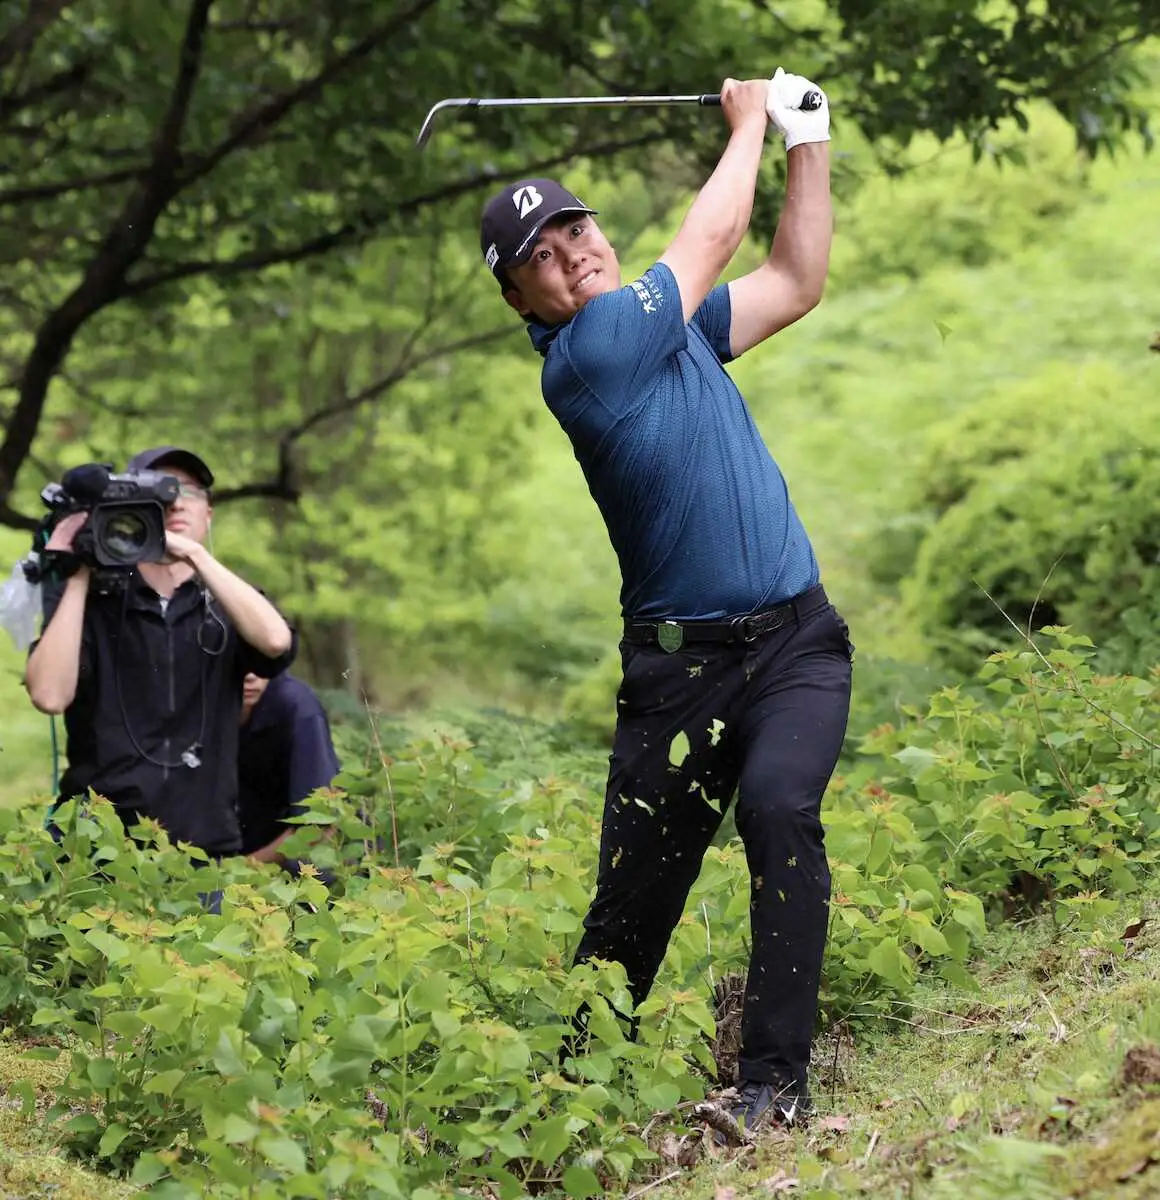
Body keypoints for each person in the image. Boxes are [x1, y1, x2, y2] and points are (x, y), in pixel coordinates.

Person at [477, 70, 854, 1132]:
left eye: (575, 229)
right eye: (539, 258)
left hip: (796, 643)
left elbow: (796, 279)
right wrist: (748, 124)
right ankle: (562, 1116)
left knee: (780, 812)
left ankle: (773, 1090)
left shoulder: (668, 324)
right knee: (629, 915)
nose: (570, 255)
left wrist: (807, 140)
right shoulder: (591, 354)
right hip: (679, 676)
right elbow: (715, 238)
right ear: (520, 301)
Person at [24, 446, 297, 860]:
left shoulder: (227, 604)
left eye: (189, 491)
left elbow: (275, 642)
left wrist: (195, 556)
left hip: (202, 850)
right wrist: (80, 572)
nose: (175, 502)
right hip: (96, 852)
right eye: (158, 490)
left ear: (209, 514)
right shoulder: (92, 603)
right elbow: (48, 695)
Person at [237, 670, 341, 871]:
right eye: (239, 659)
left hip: (294, 861)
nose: (250, 675)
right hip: (237, 855)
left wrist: (239, 870)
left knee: (314, 866)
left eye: (258, 660)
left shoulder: (299, 708)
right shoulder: (195, 702)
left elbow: (318, 827)